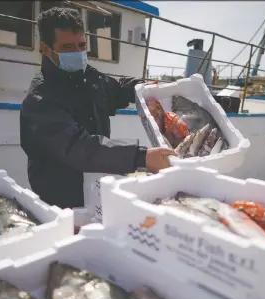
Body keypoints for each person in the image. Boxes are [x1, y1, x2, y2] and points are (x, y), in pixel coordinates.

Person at [20, 7, 175, 210]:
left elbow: (118, 89)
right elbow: (77, 147)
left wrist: (146, 88)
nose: (77, 53)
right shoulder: (39, 101)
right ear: (44, 48)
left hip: (95, 192)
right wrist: (141, 157)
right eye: (67, 46)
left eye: (82, 45)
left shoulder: (89, 79)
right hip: (59, 204)